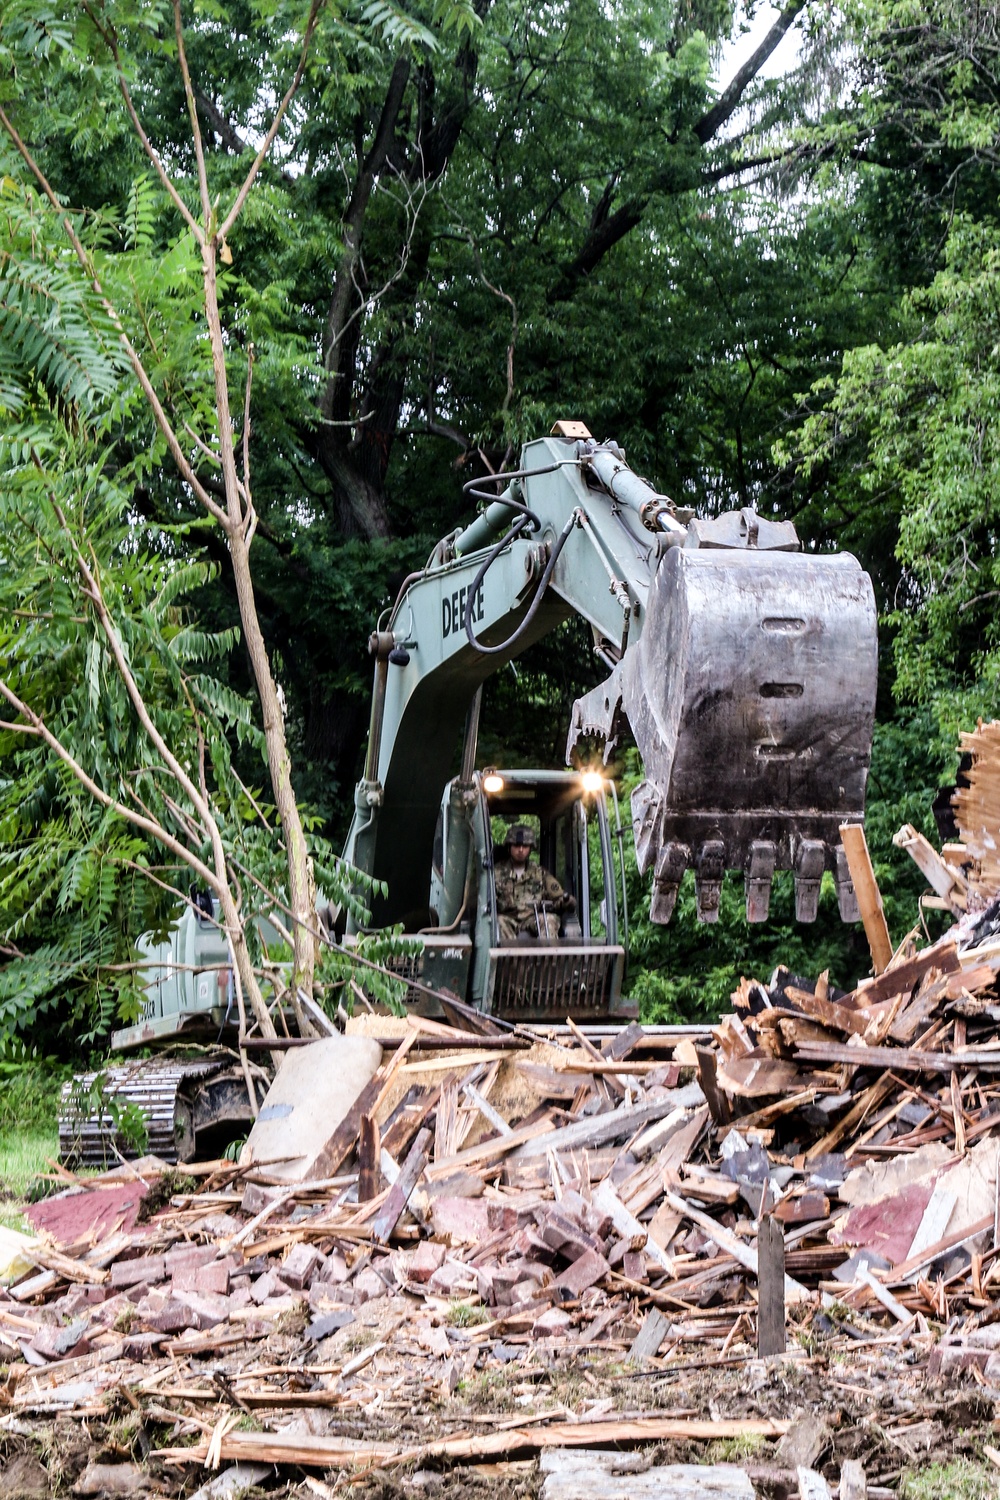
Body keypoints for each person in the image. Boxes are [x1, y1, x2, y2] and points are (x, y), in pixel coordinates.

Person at [494, 823, 575, 941]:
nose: (521, 850)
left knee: (549, 920)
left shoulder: (539, 873)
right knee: (497, 922)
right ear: (509, 846)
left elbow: (557, 897)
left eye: (525, 846)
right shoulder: (495, 872)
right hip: (506, 918)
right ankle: (509, 959)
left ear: (531, 848)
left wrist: (566, 901)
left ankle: (548, 958)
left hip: (532, 917)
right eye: (516, 845)